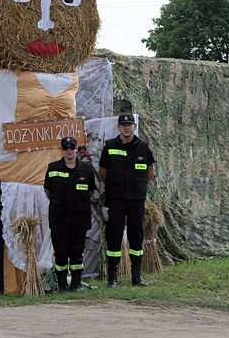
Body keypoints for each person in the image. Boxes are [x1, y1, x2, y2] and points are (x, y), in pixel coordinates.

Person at [99, 113, 156, 287]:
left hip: (136, 200)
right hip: (116, 199)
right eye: (123, 125)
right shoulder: (109, 146)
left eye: (129, 125)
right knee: (114, 235)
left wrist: (136, 186)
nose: (126, 127)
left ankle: (136, 277)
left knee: (136, 236)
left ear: (134, 127)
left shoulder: (143, 147)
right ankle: (112, 278)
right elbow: (103, 173)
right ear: (118, 127)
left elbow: (150, 172)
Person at [43, 136, 96, 291]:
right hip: (59, 218)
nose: (69, 150)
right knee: (60, 252)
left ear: (77, 149)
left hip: (79, 218)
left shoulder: (86, 170)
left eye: (72, 147)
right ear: (62, 150)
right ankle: (62, 285)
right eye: (65, 148)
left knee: (77, 252)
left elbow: (91, 191)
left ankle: (76, 284)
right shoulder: (53, 168)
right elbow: (47, 190)